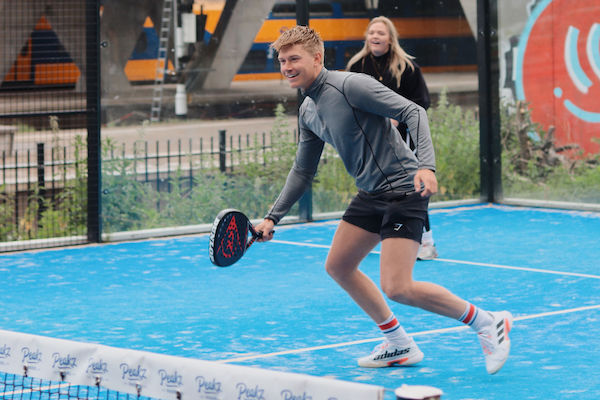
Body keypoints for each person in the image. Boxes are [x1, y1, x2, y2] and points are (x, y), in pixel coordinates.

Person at [254, 25, 513, 374]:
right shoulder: (308, 111)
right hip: (371, 193)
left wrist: (426, 166)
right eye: (282, 60)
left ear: (317, 57)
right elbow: (302, 170)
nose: (286, 66)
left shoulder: (350, 85)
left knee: (398, 286)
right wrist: (273, 217)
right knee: (338, 266)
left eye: (294, 58)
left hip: (405, 190)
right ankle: (399, 343)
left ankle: (487, 322)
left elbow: (413, 112)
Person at [346, 16, 437, 260]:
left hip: (402, 142)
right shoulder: (357, 66)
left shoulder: (406, 67)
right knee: (375, 188)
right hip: (370, 144)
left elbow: (420, 105)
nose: (375, 36)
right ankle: (381, 235)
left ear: (390, 39)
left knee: (410, 188)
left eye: (381, 33)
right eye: (372, 32)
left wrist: (396, 119)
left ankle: (426, 242)